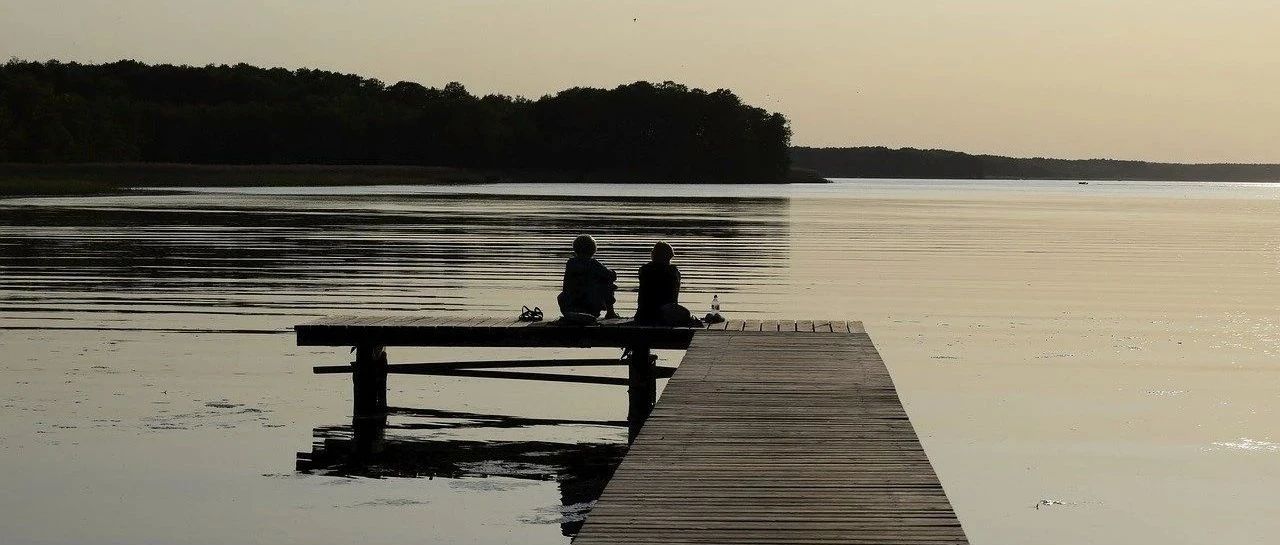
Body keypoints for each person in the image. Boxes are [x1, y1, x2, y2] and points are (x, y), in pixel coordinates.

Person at [557, 235, 619, 320]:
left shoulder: (570, 263)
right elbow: (611, 276)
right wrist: (612, 272)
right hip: (590, 308)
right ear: (593, 250)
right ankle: (610, 313)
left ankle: (573, 314)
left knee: (562, 295)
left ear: (575, 249)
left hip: (568, 307)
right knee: (607, 281)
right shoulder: (593, 264)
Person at [635, 241, 696, 325]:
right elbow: (674, 297)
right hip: (664, 314)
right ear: (669, 256)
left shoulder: (643, 270)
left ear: (653, 255)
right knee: (686, 314)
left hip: (643, 314)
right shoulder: (674, 272)